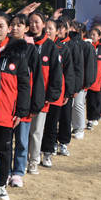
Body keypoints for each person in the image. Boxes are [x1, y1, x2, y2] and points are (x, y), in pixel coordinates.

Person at [0, 11, 30, 197]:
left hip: (7, 111)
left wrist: (22, 110)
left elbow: (24, 84)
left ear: (9, 28)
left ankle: (2, 184)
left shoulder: (18, 53)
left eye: (1, 26)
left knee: (4, 149)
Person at [9, 14, 44, 187]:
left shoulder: (31, 50)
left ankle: (18, 172)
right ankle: (5, 170)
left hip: (24, 102)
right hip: (6, 102)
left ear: (26, 28)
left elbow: (37, 78)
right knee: (6, 140)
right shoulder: (3, 48)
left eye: (19, 25)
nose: (15, 28)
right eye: (13, 25)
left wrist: (35, 103)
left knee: (22, 140)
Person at [26, 11, 62, 174]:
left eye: (37, 22)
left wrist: (51, 95)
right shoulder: (24, 43)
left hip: (42, 97)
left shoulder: (50, 47)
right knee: (22, 132)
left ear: (44, 24)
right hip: (24, 95)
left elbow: (56, 74)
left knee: (36, 131)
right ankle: (21, 161)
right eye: (31, 22)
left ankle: (33, 161)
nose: (34, 25)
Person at [39, 18, 75, 168]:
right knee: (37, 127)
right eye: (45, 28)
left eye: (51, 28)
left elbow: (69, 72)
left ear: (57, 32)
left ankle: (47, 153)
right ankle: (34, 154)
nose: (47, 31)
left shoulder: (63, 49)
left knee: (51, 125)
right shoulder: (38, 46)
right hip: (38, 92)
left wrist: (68, 92)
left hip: (56, 94)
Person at [69, 22, 97, 139]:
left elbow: (89, 67)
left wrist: (86, 83)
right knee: (72, 105)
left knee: (78, 104)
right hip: (72, 81)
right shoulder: (70, 44)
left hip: (81, 82)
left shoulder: (86, 46)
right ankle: (73, 125)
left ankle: (80, 128)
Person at [86, 28, 101, 130]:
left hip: (98, 79)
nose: (92, 37)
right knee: (89, 100)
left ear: (99, 37)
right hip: (88, 79)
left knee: (97, 99)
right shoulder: (88, 46)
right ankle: (89, 119)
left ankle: (95, 117)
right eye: (91, 34)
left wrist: (100, 73)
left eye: (94, 35)